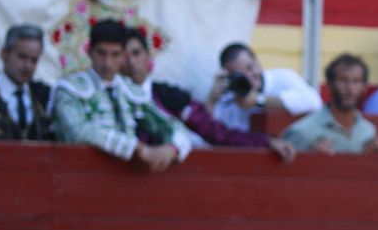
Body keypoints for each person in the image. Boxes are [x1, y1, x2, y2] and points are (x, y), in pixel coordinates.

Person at [121, 27, 298, 160]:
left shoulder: (171, 96)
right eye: (123, 55)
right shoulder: (105, 96)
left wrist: (265, 142)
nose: (132, 62)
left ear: (148, 57)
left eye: (137, 53)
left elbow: (217, 134)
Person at [53, 19, 193, 172]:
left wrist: (173, 148)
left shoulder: (129, 90)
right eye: (101, 53)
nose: (108, 62)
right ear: (89, 51)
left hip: (124, 181)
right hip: (76, 176)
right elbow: (77, 131)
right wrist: (136, 148)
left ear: (123, 56)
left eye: (115, 54)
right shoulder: (70, 88)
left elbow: (169, 125)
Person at [281, 53, 378, 154]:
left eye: (356, 81)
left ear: (364, 88)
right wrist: (311, 158)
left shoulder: (368, 132)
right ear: (330, 84)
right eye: (343, 80)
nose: (350, 88)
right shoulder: (303, 132)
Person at [210, 42, 324, 133]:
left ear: (257, 61)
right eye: (240, 74)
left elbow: (314, 102)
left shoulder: (282, 77)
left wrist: (258, 100)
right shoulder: (228, 98)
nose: (249, 76)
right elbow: (212, 133)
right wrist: (211, 100)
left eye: (250, 67)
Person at [0, 24, 54, 141]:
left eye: (34, 60)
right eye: (22, 57)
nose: (28, 66)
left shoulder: (43, 95)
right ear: (4, 53)